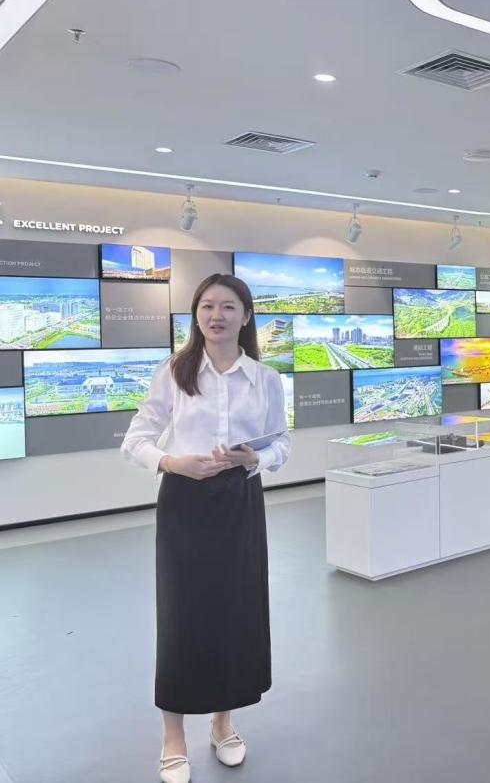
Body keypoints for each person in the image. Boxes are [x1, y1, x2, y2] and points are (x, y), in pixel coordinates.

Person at [122, 273, 291, 783]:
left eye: (228, 306)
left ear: (247, 315)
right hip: (184, 503)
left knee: (234, 612)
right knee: (181, 616)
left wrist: (255, 458)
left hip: (240, 501)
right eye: (207, 306)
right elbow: (136, 439)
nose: (217, 316)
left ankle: (223, 723)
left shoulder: (265, 378)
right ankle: (173, 737)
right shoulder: (174, 371)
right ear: (196, 315)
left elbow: (282, 444)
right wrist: (173, 462)